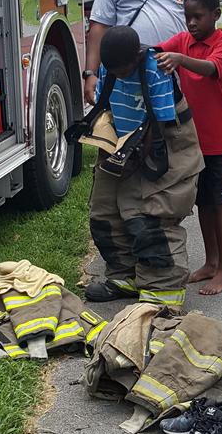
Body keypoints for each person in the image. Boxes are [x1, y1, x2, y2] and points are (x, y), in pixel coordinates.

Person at [84, 25, 203, 307]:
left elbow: (159, 125)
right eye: (112, 71)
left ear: (136, 58)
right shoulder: (111, 69)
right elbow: (105, 104)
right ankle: (124, 276)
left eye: (123, 71)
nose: (118, 76)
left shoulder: (156, 70)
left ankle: (162, 291)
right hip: (122, 143)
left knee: (150, 216)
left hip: (161, 144)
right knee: (104, 213)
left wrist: (137, 156)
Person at [155, 0, 222, 296]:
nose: (191, 23)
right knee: (202, 201)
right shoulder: (183, 40)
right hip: (193, 140)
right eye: (187, 16)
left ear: (215, 15)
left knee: (218, 202)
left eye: (198, 17)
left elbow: (212, 69)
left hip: (221, 139)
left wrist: (180, 59)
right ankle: (210, 262)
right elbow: (158, 51)